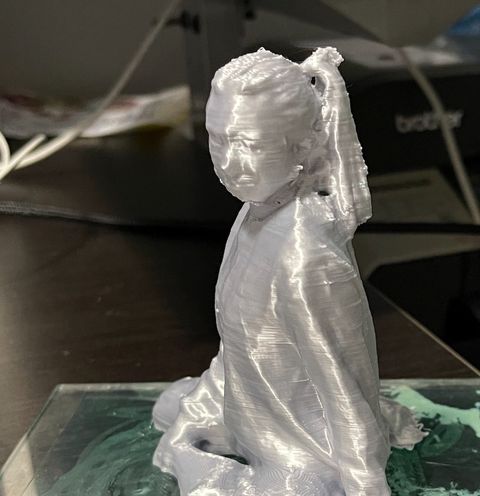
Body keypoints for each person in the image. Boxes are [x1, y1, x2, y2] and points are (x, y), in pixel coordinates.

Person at [153, 47, 425, 495]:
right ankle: (224, 433)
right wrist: (203, 406)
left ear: (302, 145)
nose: (228, 162)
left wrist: (364, 480)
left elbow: (344, 383)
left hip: (303, 442)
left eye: (249, 144)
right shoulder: (254, 213)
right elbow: (238, 341)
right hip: (250, 405)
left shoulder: (306, 257)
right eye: (218, 139)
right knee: (171, 408)